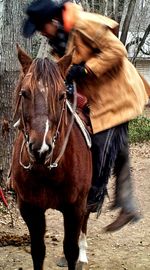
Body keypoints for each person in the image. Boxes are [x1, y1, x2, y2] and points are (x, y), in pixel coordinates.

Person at [22, 0, 149, 231]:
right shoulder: (60, 37)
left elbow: (117, 50)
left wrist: (86, 69)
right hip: (99, 95)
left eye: (41, 27)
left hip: (117, 94)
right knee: (118, 148)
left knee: (102, 143)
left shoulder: (83, 24)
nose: (40, 32)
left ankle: (88, 203)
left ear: (52, 21)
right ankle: (127, 204)